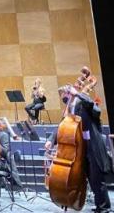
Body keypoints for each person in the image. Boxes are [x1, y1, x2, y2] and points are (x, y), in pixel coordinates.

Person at [45, 84, 111, 212]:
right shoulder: (70, 107)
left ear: (69, 92)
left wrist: (78, 94)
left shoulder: (82, 101)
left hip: (92, 145)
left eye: (63, 95)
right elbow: (62, 125)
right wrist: (50, 140)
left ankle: (105, 207)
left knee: (97, 178)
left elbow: (96, 110)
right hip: (80, 147)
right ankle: (99, 205)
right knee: (90, 178)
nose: (63, 98)